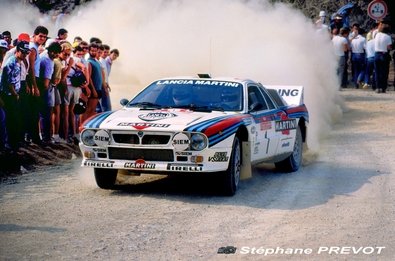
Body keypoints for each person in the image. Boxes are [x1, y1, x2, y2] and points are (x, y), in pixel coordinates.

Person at [0, 41, 31, 151]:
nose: (25, 55)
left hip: (14, 93)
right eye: (23, 52)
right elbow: (8, 82)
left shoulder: (19, 62)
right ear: (17, 51)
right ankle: (10, 144)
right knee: (11, 119)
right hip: (9, 95)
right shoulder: (11, 62)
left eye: (26, 53)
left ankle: (14, 143)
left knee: (15, 119)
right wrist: (15, 94)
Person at [28, 25, 49, 144]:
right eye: (40, 36)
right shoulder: (32, 48)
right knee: (33, 111)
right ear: (35, 35)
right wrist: (34, 86)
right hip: (32, 80)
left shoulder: (35, 47)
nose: (42, 39)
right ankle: (34, 138)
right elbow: (30, 68)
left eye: (44, 37)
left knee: (34, 111)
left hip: (34, 79)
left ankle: (34, 137)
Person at [37, 41, 61, 143]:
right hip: (45, 89)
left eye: (57, 53)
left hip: (41, 87)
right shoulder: (47, 61)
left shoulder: (43, 56)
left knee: (43, 114)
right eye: (54, 53)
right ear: (50, 51)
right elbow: (46, 83)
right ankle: (46, 138)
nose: (56, 55)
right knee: (46, 114)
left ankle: (45, 137)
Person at [81, 43, 102, 123]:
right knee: (88, 109)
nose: (93, 52)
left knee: (93, 110)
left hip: (98, 88)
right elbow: (88, 77)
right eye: (92, 51)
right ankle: (82, 127)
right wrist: (93, 90)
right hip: (94, 89)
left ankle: (88, 126)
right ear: (89, 51)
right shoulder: (89, 62)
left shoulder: (96, 62)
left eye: (95, 51)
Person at [374, 19, 392, 93]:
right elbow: (389, 47)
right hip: (384, 54)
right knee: (384, 72)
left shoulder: (376, 35)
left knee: (377, 72)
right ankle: (383, 87)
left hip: (376, 54)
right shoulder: (388, 37)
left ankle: (378, 87)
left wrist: (380, 24)